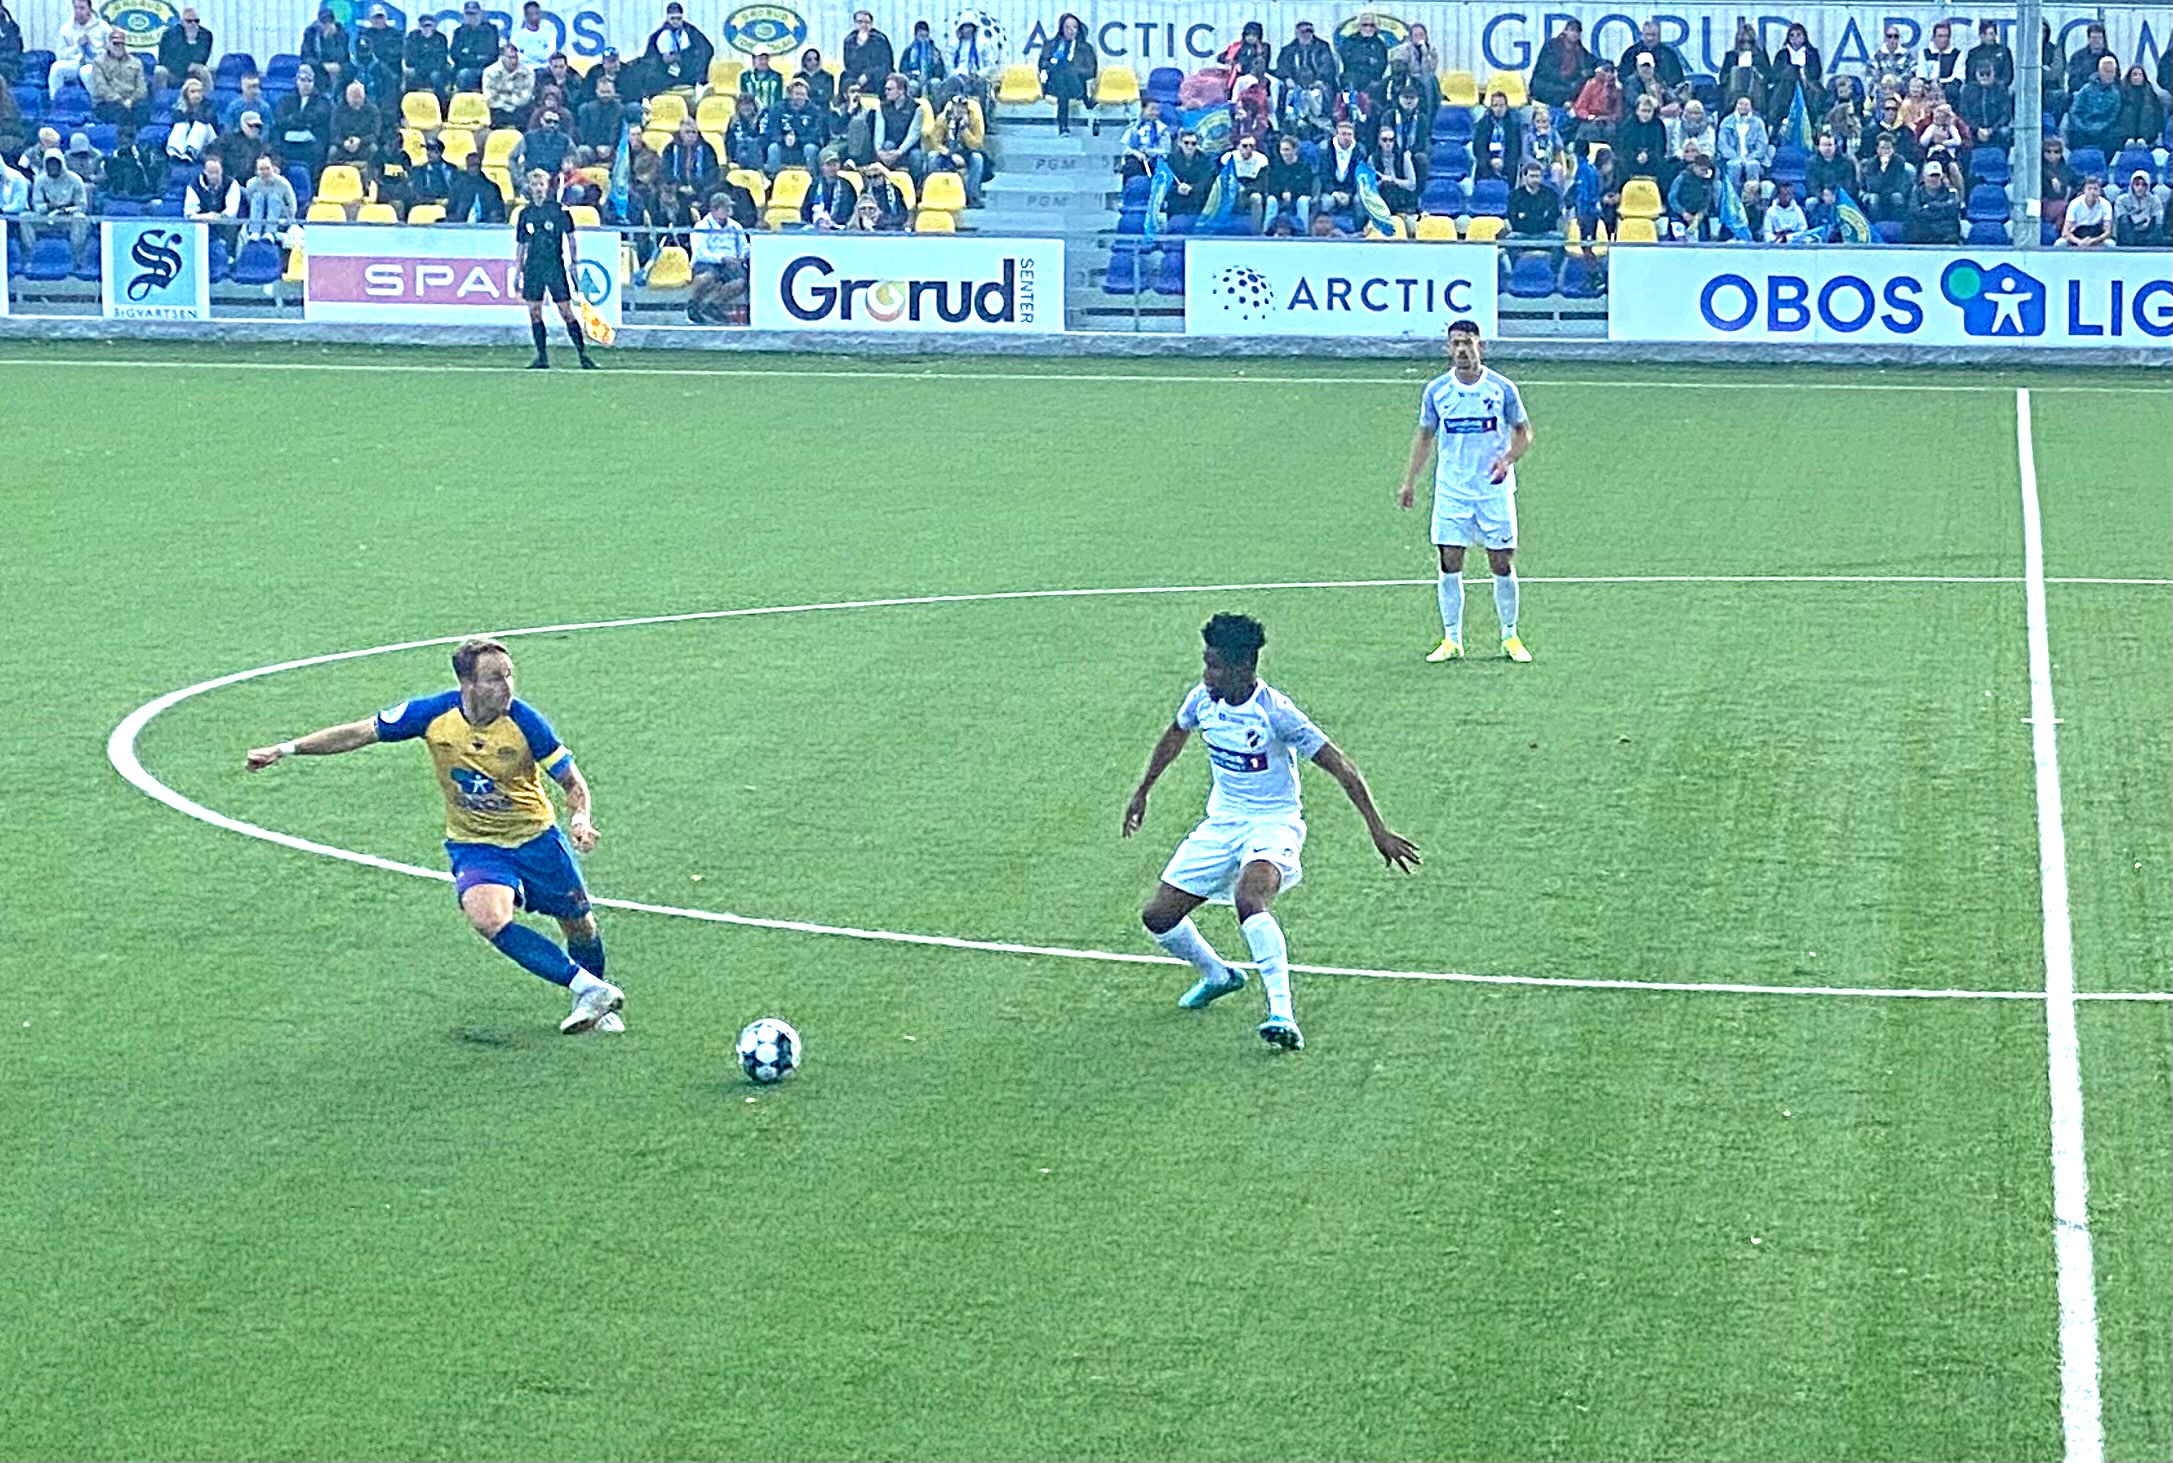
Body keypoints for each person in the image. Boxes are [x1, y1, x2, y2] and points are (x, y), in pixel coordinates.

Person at [245, 638, 619, 1033]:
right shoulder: (433, 714)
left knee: (579, 926)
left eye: (510, 675)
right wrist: (284, 750)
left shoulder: (526, 723)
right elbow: (358, 733)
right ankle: (588, 988)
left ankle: (597, 1005)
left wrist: (579, 820)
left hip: (536, 839)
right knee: (488, 919)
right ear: (466, 682)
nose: (507, 686)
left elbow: (572, 782)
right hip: (475, 844)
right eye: (494, 678)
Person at [1124, 613, 1419, 1054]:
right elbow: (1175, 734)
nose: (1208, 675)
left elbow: (1340, 765)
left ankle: (1282, 1013)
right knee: (1158, 918)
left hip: (1273, 823)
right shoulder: (1203, 700)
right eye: (1206, 664)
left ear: (1244, 667)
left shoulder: (1276, 713)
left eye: (1216, 666)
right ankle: (1218, 975)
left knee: (1250, 898)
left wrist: (1378, 829)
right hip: (1222, 823)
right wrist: (1143, 790)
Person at [1399, 321, 1536, 664]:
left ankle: (1510, 636)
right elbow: (1425, 435)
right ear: (1448, 348)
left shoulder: (1501, 389)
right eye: (1456, 343)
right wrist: (1409, 481)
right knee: (1449, 562)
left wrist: (1507, 460)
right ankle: (1452, 639)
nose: (1462, 349)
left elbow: (1524, 433)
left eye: (1468, 343)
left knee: (1501, 562)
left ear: (1481, 346)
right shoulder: (1437, 391)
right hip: (1452, 492)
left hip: (1493, 491)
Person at [687, 190, 748, 322]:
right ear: (714, 209)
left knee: (740, 283)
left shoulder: (735, 226)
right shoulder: (702, 226)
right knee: (706, 278)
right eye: (725, 207)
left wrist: (743, 256)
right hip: (706, 263)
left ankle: (714, 305)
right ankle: (693, 304)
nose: (729, 210)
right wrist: (720, 259)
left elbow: (743, 246)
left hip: (730, 263)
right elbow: (700, 253)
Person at [26, 147, 89, 257]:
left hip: (68, 217)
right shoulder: (40, 180)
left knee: (80, 218)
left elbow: (82, 205)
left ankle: (77, 255)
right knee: (25, 217)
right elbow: (37, 205)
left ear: (61, 164)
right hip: (46, 217)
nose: (52, 167)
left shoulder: (75, 180)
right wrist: (49, 206)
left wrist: (67, 210)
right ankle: (30, 254)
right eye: (49, 164)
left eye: (55, 164)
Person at [1039, 13, 1095, 137]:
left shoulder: (1085, 48)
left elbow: (1091, 70)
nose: (1071, 31)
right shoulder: (1051, 45)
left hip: (1076, 87)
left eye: (1074, 27)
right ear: (1062, 29)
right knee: (1061, 76)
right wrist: (1055, 66)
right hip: (1053, 85)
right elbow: (1042, 64)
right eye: (1067, 27)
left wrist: (1074, 70)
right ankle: (1064, 125)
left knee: (1066, 72)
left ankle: (1063, 127)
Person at [273, 65, 331, 178]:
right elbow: (281, 121)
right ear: (297, 81)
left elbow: (317, 118)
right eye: (302, 80)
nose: (305, 84)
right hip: (288, 141)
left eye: (309, 80)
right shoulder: (286, 100)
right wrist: (303, 123)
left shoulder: (323, 101)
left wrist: (293, 119)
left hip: (311, 143)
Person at [928, 91, 985, 205]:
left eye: (962, 107)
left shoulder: (974, 120)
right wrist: (949, 153)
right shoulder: (942, 118)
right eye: (957, 106)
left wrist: (964, 130)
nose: (959, 110)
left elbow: (977, 145)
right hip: (947, 151)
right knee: (932, 156)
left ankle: (972, 196)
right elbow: (936, 142)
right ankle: (932, 192)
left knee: (978, 158)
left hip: (966, 152)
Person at [659, 115, 718, 224]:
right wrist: (679, 187)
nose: (691, 136)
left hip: (701, 190)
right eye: (687, 132)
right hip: (677, 190)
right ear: (680, 132)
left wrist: (695, 187)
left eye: (693, 132)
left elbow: (712, 173)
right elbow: (665, 171)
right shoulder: (670, 149)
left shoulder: (707, 149)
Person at [644, 2, 712, 94]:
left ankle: (699, 87)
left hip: (688, 72)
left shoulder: (691, 32)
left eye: (678, 18)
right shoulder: (657, 36)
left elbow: (706, 49)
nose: (675, 21)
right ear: (667, 18)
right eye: (673, 18)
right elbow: (650, 58)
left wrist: (683, 56)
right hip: (665, 74)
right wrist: (662, 59)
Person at [1530, 17, 1593, 112]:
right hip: (1547, 83)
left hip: (1567, 86)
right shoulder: (1551, 45)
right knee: (1564, 91)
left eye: (1577, 32)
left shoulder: (1579, 50)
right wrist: (1566, 83)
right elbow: (1546, 69)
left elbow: (1592, 61)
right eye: (1572, 30)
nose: (1575, 34)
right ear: (1565, 31)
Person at [48, 0, 109, 99]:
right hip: (75, 64)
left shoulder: (103, 28)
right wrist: (77, 46)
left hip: (96, 65)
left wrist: (93, 50)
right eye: (76, 8)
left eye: (82, 8)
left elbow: (111, 52)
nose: (78, 11)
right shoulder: (66, 30)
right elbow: (60, 55)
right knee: (56, 68)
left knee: (86, 71)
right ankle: (55, 102)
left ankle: (97, 102)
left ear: (89, 9)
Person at [2066, 56, 2122, 159]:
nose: (2109, 75)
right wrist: (2084, 127)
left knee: (2113, 139)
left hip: (2103, 132)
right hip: (2082, 129)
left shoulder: (2115, 95)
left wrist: (2099, 127)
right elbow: (2074, 112)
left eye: (2112, 72)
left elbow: (2113, 117)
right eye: (2106, 71)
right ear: (2099, 71)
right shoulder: (2086, 90)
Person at [89, 28, 147, 127]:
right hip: (108, 102)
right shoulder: (98, 62)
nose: (119, 46)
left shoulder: (136, 62)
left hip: (131, 100)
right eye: (115, 43)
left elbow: (142, 88)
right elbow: (101, 88)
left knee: (144, 111)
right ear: (109, 43)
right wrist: (120, 100)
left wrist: (131, 100)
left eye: (122, 43)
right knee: (120, 114)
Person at [768, 77, 827, 173]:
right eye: (796, 94)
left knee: (811, 149)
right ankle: (773, 179)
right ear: (790, 95)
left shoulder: (814, 111)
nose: (799, 97)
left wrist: (797, 140)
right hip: (783, 146)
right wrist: (784, 138)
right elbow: (772, 130)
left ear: (807, 96)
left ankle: (812, 178)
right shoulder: (778, 108)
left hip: (803, 146)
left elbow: (816, 135)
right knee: (772, 148)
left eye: (802, 94)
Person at [1260, 133, 1314, 231]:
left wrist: (1292, 194)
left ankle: (1303, 231)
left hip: (1297, 198)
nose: (1284, 153)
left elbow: (1306, 187)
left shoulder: (1304, 167)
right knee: (1271, 200)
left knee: (1303, 201)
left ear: (1295, 150)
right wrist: (1281, 194)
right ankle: (1267, 231)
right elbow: (1271, 186)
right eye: (1282, 150)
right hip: (1279, 198)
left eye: (1287, 150)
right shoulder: (1275, 166)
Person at [241, 151, 296, 244]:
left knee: (273, 198)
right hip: (259, 216)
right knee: (258, 197)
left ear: (272, 168)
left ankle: (270, 232)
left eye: (267, 168)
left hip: (280, 219)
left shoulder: (283, 183)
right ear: (257, 171)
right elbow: (250, 201)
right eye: (261, 169)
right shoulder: (251, 184)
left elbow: (292, 204)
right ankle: (255, 231)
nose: (265, 172)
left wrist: (290, 219)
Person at [1718, 93, 1769, 192]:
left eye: (1746, 104)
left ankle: (1752, 196)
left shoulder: (1758, 123)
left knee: (1752, 165)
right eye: (1740, 104)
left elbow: (1762, 144)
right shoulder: (1726, 122)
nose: (1743, 107)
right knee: (1734, 166)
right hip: (1732, 158)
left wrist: (1751, 157)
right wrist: (1735, 157)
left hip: (1753, 158)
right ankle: (1733, 195)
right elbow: (1722, 144)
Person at [327, 78, 382, 167]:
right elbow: (334, 132)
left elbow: (375, 133)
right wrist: (343, 143)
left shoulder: (373, 110)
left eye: (359, 97)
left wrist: (361, 141)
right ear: (346, 96)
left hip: (364, 145)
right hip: (343, 145)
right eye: (353, 97)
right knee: (333, 151)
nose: (356, 100)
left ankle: (371, 178)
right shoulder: (338, 110)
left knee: (373, 149)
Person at [871, 71, 920, 172]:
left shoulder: (916, 108)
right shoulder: (882, 107)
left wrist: (899, 151)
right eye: (885, 89)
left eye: (889, 89)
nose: (886, 92)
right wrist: (879, 151)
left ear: (901, 90)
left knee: (916, 156)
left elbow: (913, 135)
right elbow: (879, 132)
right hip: (889, 147)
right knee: (888, 145)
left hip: (907, 149)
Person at [155, 5, 212, 91]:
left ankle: (207, 98)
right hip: (173, 69)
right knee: (159, 71)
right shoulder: (169, 35)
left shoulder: (206, 35)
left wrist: (192, 40)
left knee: (203, 70)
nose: (193, 24)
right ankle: (160, 98)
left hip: (193, 70)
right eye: (189, 21)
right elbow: (163, 57)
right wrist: (181, 68)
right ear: (182, 22)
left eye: (196, 21)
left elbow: (203, 56)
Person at [1618, 19, 1686, 91]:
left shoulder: (1669, 55)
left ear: (1659, 36)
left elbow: (1677, 81)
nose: (1650, 38)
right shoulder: (1631, 53)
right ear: (1642, 35)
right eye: (1647, 34)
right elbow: (1623, 78)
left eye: (1653, 35)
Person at [1859, 131, 1911, 223]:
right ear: (1877, 149)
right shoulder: (1871, 163)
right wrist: (1882, 169)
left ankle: (1896, 225)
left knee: (1897, 197)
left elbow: (1899, 183)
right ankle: (1877, 225)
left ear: (1893, 149)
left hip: (1892, 192)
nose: (1885, 151)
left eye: (1888, 148)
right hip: (1877, 193)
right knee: (1874, 199)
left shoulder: (1899, 161)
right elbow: (1873, 185)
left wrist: (1885, 192)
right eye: (1882, 148)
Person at [1472, 88, 1522, 183]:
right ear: (1491, 107)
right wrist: (1490, 161)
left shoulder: (1513, 124)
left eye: (1502, 105)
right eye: (1495, 105)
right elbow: (1478, 148)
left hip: (1507, 164)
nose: (1499, 109)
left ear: (1507, 106)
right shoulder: (1483, 124)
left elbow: (1515, 149)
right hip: (1486, 164)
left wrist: (1503, 162)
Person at [1902, 159, 1959, 242]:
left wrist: (1930, 206)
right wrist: (1941, 208)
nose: (1934, 179)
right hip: (1921, 234)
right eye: (1931, 175)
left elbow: (1953, 211)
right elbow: (1914, 211)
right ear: (1924, 176)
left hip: (1945, 235)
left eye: (1937, 176)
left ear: (1942, 176)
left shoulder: (1951, 192)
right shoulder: (1916, 192)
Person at [945, 19, 999, 105]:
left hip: (977, 77)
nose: (968, 30)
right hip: (958, 77)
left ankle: (982, 114)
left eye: (970, 27)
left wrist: (978, 75)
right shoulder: (954, 45)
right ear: (960, 29)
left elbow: (990, 65)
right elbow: (948, 65)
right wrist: (958, 75)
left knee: (982, 85)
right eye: (965, 27)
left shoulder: (983, 44)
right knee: (951, 84)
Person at [1318, 117, 1363, 218]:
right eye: (1343, 134)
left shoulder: (1360, 152)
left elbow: (1360, 178)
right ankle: (1326, 230)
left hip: (1351, 191)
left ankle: (1358, 230)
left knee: (1359, 201)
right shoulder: (1326, 151)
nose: (1346, 137)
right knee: (1327, 201)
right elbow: (1324, 175)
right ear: (1337, 135)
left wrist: (1349, 194)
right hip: (1331, 191)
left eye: (1349, 134)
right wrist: (1334, 193)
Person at [299, 6, 351, 95]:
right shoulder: (311, 33)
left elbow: (346, 55)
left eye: (330, 22)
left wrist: (332, 40)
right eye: (324, 23)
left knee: (349, 71)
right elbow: (305, 56)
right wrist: (323, 66)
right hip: (318, 69)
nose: (327, 25)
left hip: (339, 69)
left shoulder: (342, 33)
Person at [450, 0, 500, 91]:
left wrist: (468, 55)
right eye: (468, 14)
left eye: (474, 13)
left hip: (486, 68)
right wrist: (476, 57)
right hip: (463, 67)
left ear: (480, 13)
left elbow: (492, 54)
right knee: (462, 74)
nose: (471, 17)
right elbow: (454, 54)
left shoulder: (490, 30)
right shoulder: (459, 32)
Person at [167, 75, 219, 161]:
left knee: (200, 124)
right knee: (181, 125)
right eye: (193, 92)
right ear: (186, 93)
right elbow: (176, 119)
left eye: (199, 92)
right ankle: (175, 151)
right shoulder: (180, 106)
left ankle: (191, 152)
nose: (197, 95)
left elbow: (205, 119)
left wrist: (195, 109)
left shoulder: (208, 104)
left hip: (208, 138)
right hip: (187, 138)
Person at [1667, 147, 1717, 237]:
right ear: (1695, 166)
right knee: (1679, 240)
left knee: (1704, 239)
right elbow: (1672, 198)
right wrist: (1682, 212)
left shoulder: (1707, 180)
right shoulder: (1682, 178)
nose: (1704, 173)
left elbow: (1708, 199)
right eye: (1702, 170)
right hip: (1679, 216)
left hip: (1697, 217)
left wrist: (1702, 212)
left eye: (1706, 170)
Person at [1117, 96, 1169, 180]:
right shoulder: (1133, 127)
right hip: (1136, 159)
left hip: (1156, 160)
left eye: (1157, 109)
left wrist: (1148, 152)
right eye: (1152, 109)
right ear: (1143, 109)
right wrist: (1136, 153)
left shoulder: (1162, 129)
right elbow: (1124, 147)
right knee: (1132, 166)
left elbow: (1165, 150)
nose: (1155, 113)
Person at [575, 75, 625, 163]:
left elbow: (620, 133)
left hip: (613, 149)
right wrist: (596, 146)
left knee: (624, 153)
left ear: (614, 91)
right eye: (603, 92)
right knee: (582, 150)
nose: (605, 95)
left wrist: (611, 147)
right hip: (593, 148)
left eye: (608, 92)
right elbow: (583, 133)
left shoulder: (621, 110)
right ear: (597, 91)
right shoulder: (587, 109)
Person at [1570, 60, 1621, 146]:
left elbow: (1618, 111)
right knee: (1589, 130)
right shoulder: (1591, 84)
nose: (1608, 74)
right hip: (1590, 119)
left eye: (1611, 71)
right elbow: (1580, 106)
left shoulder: (1617, 89)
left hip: (1608, 121)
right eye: (1606, 71)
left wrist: (1608, 118)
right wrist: (1589, 117)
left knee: (1611, 131)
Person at [840, 9, 893, 93]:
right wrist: (860, 46)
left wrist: (868, 75)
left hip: (877, 75)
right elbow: (848, 64)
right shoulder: (849, 40)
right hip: (856, 75)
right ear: (855, 23)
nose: (863, 25)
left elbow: (886, 64)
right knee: (845, 77)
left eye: (867, 22)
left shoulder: (880, 40)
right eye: (860, 22)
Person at [1506, 159, 1561, 237]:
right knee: (1511, 237)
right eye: (1532, 176)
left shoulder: (1550, 194)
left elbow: (1552, 218)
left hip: (1545, 234)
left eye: (1537, 176)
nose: (1535, 179)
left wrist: (1526, 217)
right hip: (1522, 234)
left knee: (1558, 237)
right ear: (1524, 177)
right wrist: (1539, 218)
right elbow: (1513, 220)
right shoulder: (1515, 195)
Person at [448, 146, 506, 221]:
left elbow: (496, 212)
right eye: (471, 165)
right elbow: (450, 211)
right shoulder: (457, 186)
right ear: (467, 165)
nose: (473, 168)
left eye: (476, 165)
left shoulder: (491, 188)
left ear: (480, 166)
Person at [483, 43, 534, 130]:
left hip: (519, 110)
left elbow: (524, 99)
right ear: (501, 57)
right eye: (510, 58)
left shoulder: (528, 72)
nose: (513, 61)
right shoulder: (489, 72)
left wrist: (502, 96)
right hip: (497, 111)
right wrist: (509, 100)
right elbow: (490, 99)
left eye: (515, 57)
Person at [404, 12, 451, 98]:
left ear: (434, 26)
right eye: (424, 26)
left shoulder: (440, 38)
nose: (427, 28)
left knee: (436, 76)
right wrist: (421, 66)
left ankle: (442, 105)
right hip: (418, 68)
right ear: (420, 27)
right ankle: (407, 103)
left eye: (429, 26)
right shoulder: (412, 37)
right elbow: (409, 59)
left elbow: (441, 59)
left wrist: (427, 66)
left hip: (435, 69)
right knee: (408, 75)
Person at [2116, 66, 2165, 149]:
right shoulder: (2121, 93)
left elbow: (2157, 115)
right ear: (2129, 77)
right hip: (2124, 138)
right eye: (2134, 74)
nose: (2137, 77)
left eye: (2140, 74)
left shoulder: (2151, 94)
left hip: (2147, 138)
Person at [800, 151, 855, 225]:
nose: (832, 168)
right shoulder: (815, 186)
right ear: (821, 166)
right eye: (828, 165)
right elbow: (806, 210)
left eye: (835, 164)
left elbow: (850, 209)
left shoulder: (846, 186)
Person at [1918, 20, 1963, 105]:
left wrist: (1940, 84)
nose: (1944, 39)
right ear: (1933, 37)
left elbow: (1958, 78)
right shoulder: (1924, 53)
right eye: (1940, 36)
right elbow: (1921, 75)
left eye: (1946, 36)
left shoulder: (1957, 54)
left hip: (1949, 93)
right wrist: (1931, 84)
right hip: (1928, 91)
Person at [2114, 169, 2165, 245]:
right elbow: (2120, 219)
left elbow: (2159, 217)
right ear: (2132, 185)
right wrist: (2142, 219)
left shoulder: (2154, 200)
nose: (2140, 187)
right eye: (2137, 184)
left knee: (2157, 221)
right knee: (2124, 219)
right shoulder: (2121, 200)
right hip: (2129, 234)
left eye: (2144, 185)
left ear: (2148, 186)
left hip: (2148, 234)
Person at [2063, 22, 2114, 98]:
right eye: (2094, 38)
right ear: (2089, 39)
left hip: (2105, 98)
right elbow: (2073, 81)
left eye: (2099, 38)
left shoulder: (2110, 58)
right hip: (2082, 97)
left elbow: (2115, 80)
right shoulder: (2078, 57)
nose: (2097, 41)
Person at [2060, 173, 2110, 246]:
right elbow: (2065, 231)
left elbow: (2107, 232)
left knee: (2110, 244)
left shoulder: (2106, 205)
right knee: (2060, 244)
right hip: (2077, 235)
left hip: (2096, 235)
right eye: (2089, 189)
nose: (2092, 192)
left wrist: (2093, 240)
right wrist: (2079, 242)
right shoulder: (2074, 204)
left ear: (2100, 191)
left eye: (2095, 189)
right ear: (2084, 190)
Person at [896, 24, 944, 99]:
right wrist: (915, 76)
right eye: (920, 34)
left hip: (930, 78)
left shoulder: (935, 51)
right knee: (912, 85)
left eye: (925, 34)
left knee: (936, 83)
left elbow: (941, 71)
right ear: (915, 35)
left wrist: (936, 64)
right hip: (914, 79)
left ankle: (936, 109)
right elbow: (903, 70)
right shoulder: (909, 51)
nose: (923, 36)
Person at [722, 92, 767, 171]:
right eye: (742, 105)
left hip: (757, 154)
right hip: (738, 153)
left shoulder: (761, 119)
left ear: (754, 106)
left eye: (748, 104)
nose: (746, 107)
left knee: (752, 143)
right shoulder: (733, 121)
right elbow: (729, 141)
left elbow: (763, 139)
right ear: (738, 107)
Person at [1805, 129, 1856, 198]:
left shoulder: (1847, 162)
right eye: (1824, 145)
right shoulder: (1811, 163)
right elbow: (1811, 185)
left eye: (1829, 145)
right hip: (1820, 197)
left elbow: (1849, 185)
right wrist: (1822, 195)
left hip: (1843, 197)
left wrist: (1835, 195)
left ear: (1835, 146)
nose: (1827, 148)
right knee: (1810, 202)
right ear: (1818, 147)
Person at [1963, 20, 2012, 90]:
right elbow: (1970, 76)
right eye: (1990, 34)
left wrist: (1996, 85)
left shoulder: (2004, 52)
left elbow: (2008, 75)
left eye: (1995, 33)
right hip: (1977, 91)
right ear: (1982, 35)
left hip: (1998, 91)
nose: (1994, 36)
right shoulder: (1973, 53)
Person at [508, 0, 552, 70]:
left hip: (545, 69)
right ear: (526, 16)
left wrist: (529, 55)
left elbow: (549, 53)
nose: (535, 17)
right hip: (524, 70)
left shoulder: (549, 34)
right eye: (531, 14)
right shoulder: (517, 37)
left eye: (537, 13)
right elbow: (517, 56)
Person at [1868, 23, 1912, 93]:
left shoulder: (1907, 55)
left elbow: (1910, 74)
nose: (1892, 39)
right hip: (1881, 93)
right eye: (1889, 36)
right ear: (1885, 38)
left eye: (1896, 36)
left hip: (1901, 93)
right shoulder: (1876, 56)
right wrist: (1883, 87)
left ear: (1899, 38)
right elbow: (1871, 75)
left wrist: (1897, 83)